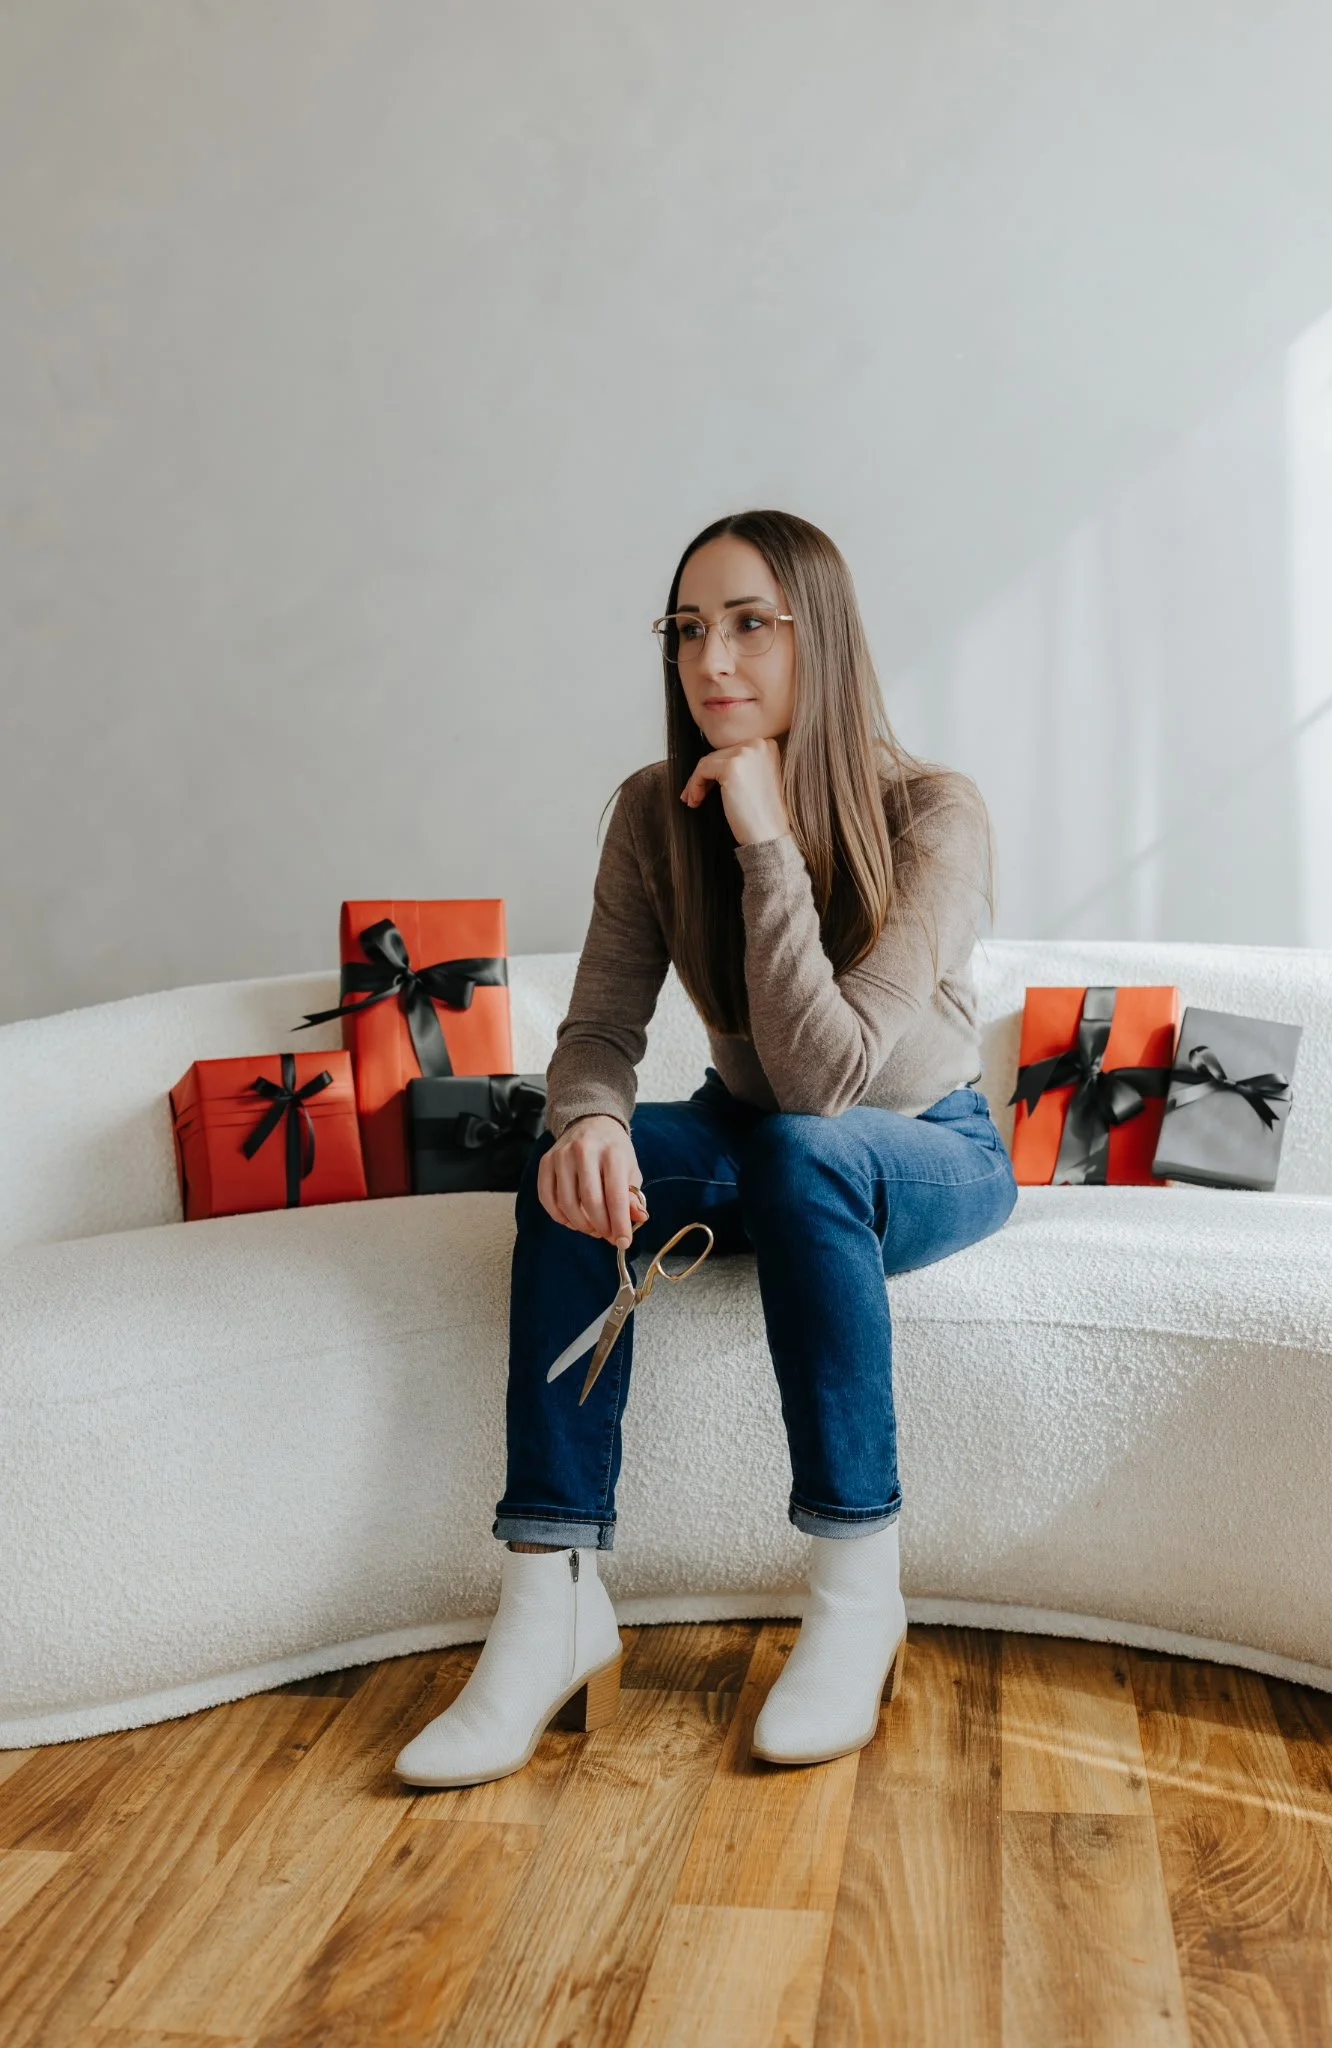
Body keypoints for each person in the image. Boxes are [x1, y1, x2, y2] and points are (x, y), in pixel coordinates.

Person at [394, 508, 1018, 1787]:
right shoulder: (646, 811)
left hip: (919, 1143)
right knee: (567, 1177)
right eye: (688, 630)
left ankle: (855, 1589)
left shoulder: (934, 815)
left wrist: (766, 837)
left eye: (748, 625)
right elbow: (598, 1029)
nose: (711, 660)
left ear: (820, 642)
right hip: (763, 1131)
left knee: (804, 1149)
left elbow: (825, 1077)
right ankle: (552, 1596)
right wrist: (593, 1121)